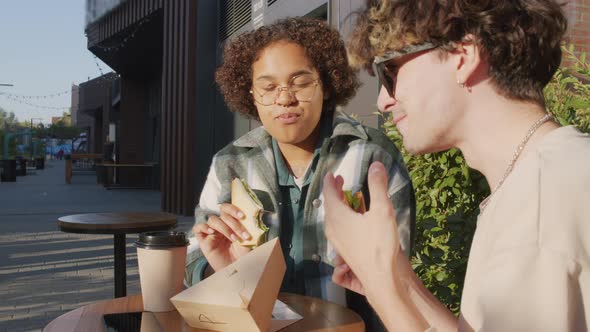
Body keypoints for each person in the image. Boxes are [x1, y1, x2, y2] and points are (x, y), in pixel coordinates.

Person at [322, 0, 590, 331]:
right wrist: (396, 276)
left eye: (389, 71)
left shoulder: (537, 207)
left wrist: (378, 279)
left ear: (463, 57)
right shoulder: (539, 178)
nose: (383, 101)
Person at [185, 17, 415, 330]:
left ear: (326, 83)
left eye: (300, 82)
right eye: (268, 87)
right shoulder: (230, 163)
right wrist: (219, 266)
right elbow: (193, 261)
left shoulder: (372, 155)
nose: (284, 98)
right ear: (250, 93)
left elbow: (400, 269)